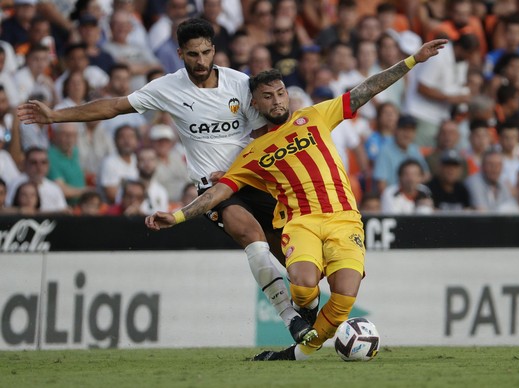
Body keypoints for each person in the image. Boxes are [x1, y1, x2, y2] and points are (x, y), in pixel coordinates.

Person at [144, 39, 447, 361]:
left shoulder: (314, 116)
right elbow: (218, 193)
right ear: (254, 105)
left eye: (280, 93)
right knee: (303, 288)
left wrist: (413, 60)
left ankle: (297, 354)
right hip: (301, 221)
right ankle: (305, 315)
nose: (276, 101)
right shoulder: (252, 153)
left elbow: (366, 89)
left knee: (344, 299)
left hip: (344, 218)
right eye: (267, 97)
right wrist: (177, 217)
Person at [17, 18, 314, 346]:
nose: (200, 61)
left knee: (292, 255)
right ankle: (291, 318)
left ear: (214, 50)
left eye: (205, 52)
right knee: (253, 239)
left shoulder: (240, 84)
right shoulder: (167, 87)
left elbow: (262, 136)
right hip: (214, 190)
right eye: (192, 54)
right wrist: (56, 115)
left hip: (252, 180)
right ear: (179, 54)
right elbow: (114, 106)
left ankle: (317, 313)